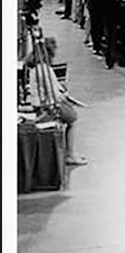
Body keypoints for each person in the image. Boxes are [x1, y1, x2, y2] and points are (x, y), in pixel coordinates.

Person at [28, 37, 87, 166]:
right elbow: (53, 93)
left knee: (71, 114)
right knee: (73, 119)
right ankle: (70, 154)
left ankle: (70, 153)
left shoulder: (35, 68)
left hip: (40, 105)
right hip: (48, 107)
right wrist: (67, 98)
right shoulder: (45, 70)